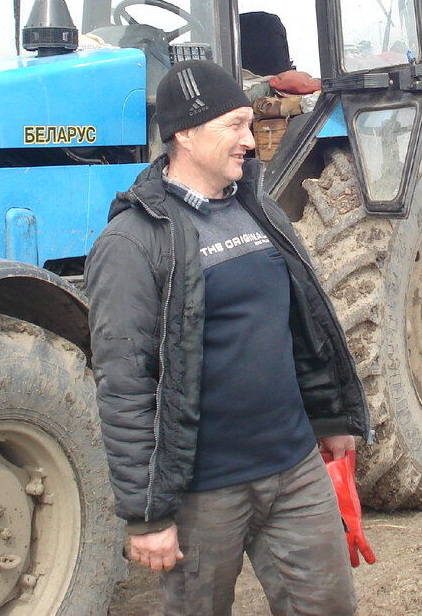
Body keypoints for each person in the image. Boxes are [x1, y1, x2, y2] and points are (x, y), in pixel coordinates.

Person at [86, 58, 370, 616]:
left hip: (294, 470)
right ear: (185, 135)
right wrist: (148, 516)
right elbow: (124, 385)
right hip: (203, 492)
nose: (251, 138)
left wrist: (332, 418)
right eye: (235, 125)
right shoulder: (134, 241)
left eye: (248, 124)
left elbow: (304, 325)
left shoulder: (259, 210)